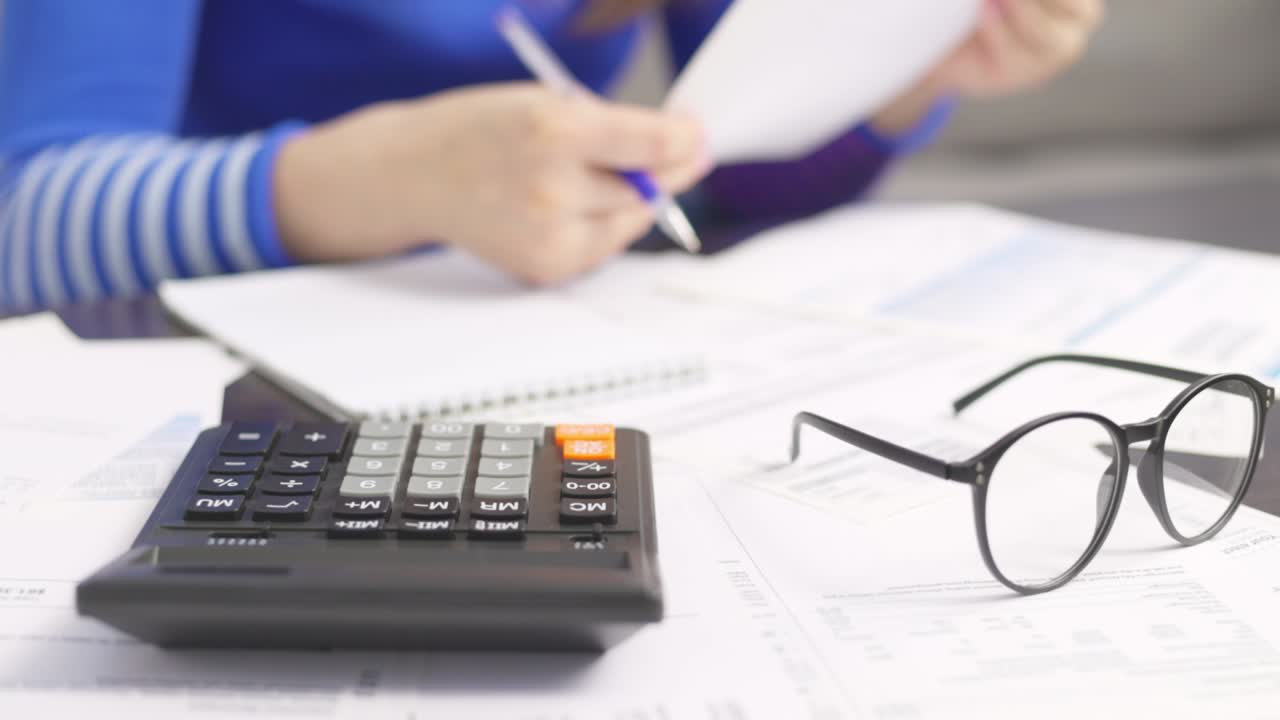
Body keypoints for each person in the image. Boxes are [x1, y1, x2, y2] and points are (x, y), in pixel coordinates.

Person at [0, 0, 1101, 311]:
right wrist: (388, 178)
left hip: (514, 347)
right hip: (182, 372)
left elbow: (714, 186)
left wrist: (908, 68)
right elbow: (27, 219)